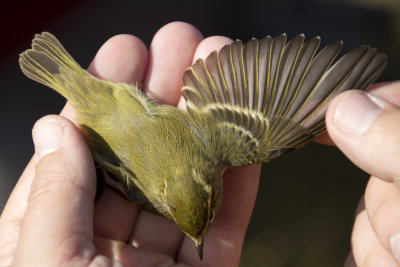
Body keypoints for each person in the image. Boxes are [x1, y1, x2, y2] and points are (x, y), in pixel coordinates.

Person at [0, 21, 398, 266]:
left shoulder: (226, 148)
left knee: (272, 138)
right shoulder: (151, 194)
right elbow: (113, 177)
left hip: (114, 106)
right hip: (107, 119)